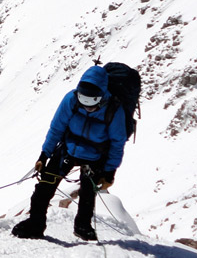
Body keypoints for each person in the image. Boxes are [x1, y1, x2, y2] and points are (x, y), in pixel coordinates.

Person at [12, 65, 127, 241]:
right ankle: (36, 224)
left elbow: (117, 143)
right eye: (83, 99)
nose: (87, 105)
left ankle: (83, 226)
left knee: (88, 193)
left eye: (91, 100)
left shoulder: (113, 109)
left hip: (95, 156)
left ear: (102, 96)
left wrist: (110, 171)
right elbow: (56, 128)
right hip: (68, 150)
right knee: (44, 187)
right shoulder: (71, 100)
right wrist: (45, 154)